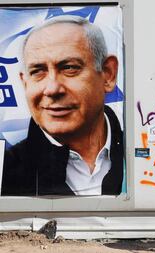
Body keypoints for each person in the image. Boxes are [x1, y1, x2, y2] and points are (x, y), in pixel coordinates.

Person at [1, 15, 124, 196]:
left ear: (108, 74)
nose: (52, 89)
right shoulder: (7, 172)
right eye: (38, 71)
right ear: (25, 83)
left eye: (69, 68)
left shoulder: (143, 157)